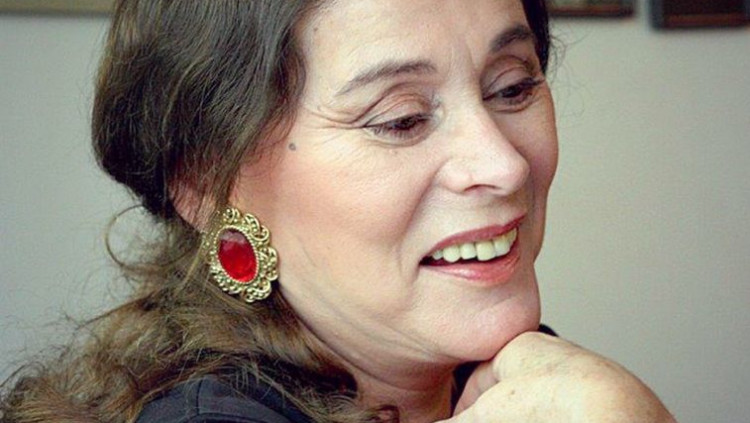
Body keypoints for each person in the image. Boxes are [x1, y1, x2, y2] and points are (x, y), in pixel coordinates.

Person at [1, 0, 676, 422]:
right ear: (208, 184)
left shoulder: (515, 380)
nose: (504, 164)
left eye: (513, 86)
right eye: (401, 119)